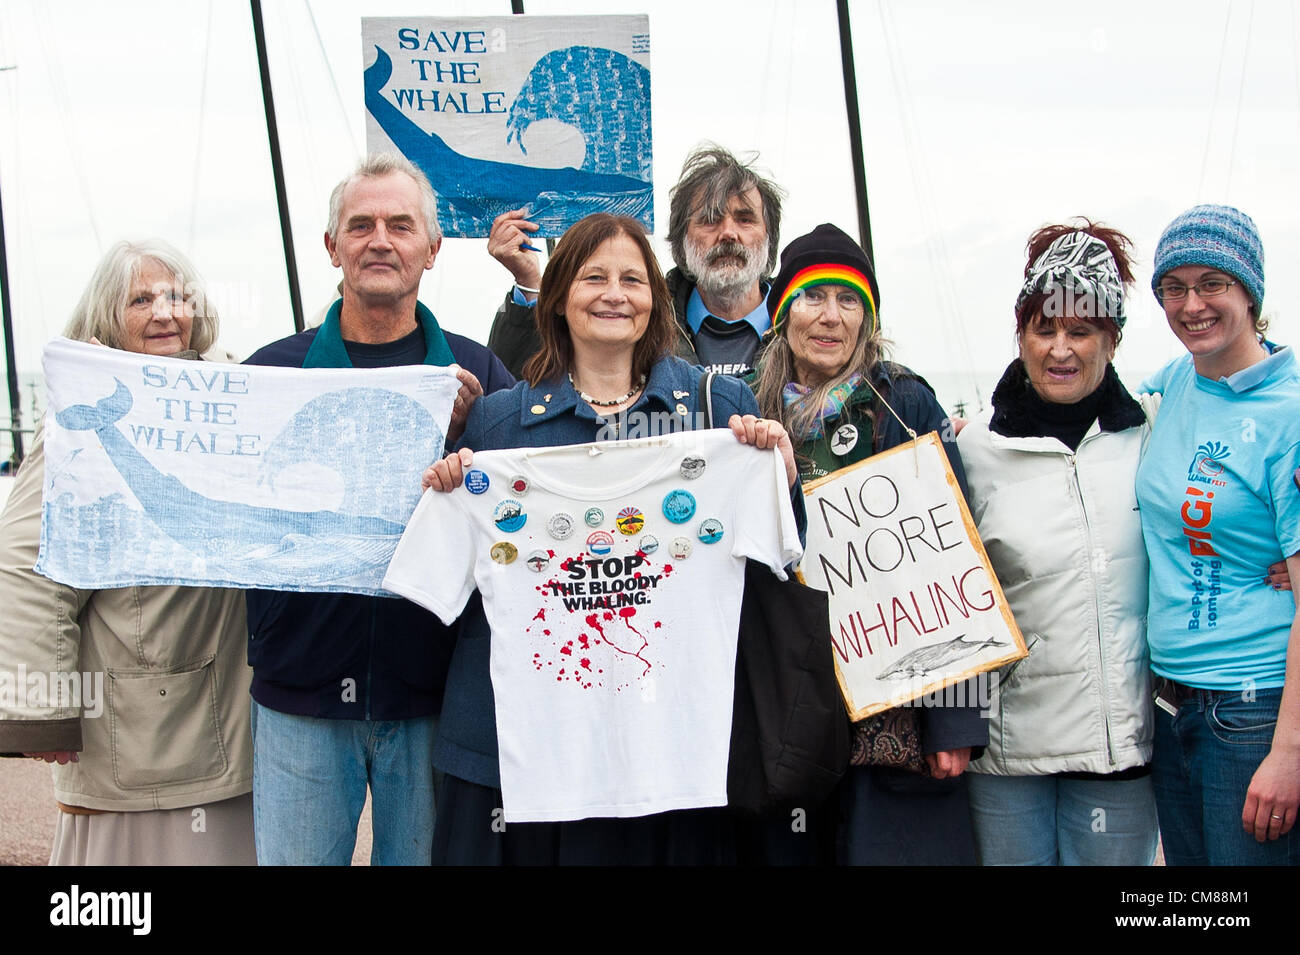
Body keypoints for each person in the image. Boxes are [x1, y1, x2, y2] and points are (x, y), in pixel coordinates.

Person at [394, 212, 801, 865]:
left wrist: (778, 471)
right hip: (524, 753)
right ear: (557, 295)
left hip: (670, 748)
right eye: (594, 277)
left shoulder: (717, 407)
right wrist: (451, 481)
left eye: (633, 279)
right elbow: (443, 583)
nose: (616, 293)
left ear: (655, 299)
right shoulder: (500, 421)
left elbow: (781, 552)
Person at [242, 152, 513, 865]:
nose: (379, 240)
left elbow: (519, 520)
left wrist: (478, 432)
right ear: (332, 247)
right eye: (359, 225)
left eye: (400, 224)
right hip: (299, 692)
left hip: (433, 693)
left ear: (432, 248)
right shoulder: (270, 373)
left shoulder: (482, 372)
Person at [0, 240, 255, 864]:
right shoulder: (73, 422)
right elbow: (26, 567)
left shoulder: (231, 399)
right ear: (108, 317)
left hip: (231, 712)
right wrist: (43, 706)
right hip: (137, 732)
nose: (164, 313)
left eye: (176, 297)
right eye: (141, 300)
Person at [752, 223, 987, 864]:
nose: (830, 317)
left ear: (869, 317)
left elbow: (956, 559)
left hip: (897, 708)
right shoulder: (746, 406)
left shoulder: (905, 402)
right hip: (787, 699)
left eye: (849, 299)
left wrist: (956, 722)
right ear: (782, 312)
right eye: (812, 296)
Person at [955, 221, 1159, 865]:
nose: (1060, 350)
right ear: (1020, 336)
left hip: (1119, 747)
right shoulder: (974, 448)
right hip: (1005, 753)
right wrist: (952, 725)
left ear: (1113, 339)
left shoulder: (1153, 433)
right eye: (1044, 329)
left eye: (1081, 331)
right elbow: (949, 596)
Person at [1138, 204, 1300, 865]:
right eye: (1174, 288)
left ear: (1250, 292)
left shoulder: (1287, 408)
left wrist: (1289, 752)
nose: (1191, 304)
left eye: (1213, 284)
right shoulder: (1173, 381)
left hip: (1253, 715)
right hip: (1170, 710)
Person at [487, 144, 784, 378]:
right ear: (681, 237)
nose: (728, 233)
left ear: (770, 235)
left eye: (745, 220)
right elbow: (523, 380)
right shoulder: (632, 312)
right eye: (710, 220)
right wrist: (529, 285)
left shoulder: (807, 323)